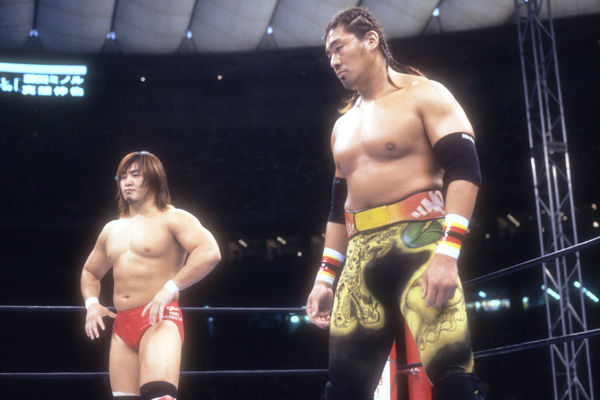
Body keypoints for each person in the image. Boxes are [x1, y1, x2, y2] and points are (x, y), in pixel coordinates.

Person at [306, 7, 486, 400]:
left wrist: (448, 253)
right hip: (359, 257)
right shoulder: (342, 126)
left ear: (370, 40)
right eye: (329, 53)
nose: (333, 60)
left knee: (453, 376)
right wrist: (324, 277)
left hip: (421, 244)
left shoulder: (425, 94)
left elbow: (465, 169)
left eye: (339, 47)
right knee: (342, 389)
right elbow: (338, 209)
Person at [81, 151, 221, 400]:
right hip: (122, 325)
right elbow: (90, 272)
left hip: (159, 320)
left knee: (159, 397)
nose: (127, 182)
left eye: (135, 175)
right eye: (123, 176)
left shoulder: (173, 218)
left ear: (154, 179)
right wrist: (91, 303)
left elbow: (210, 252)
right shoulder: (111, 229)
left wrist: (171, 287)